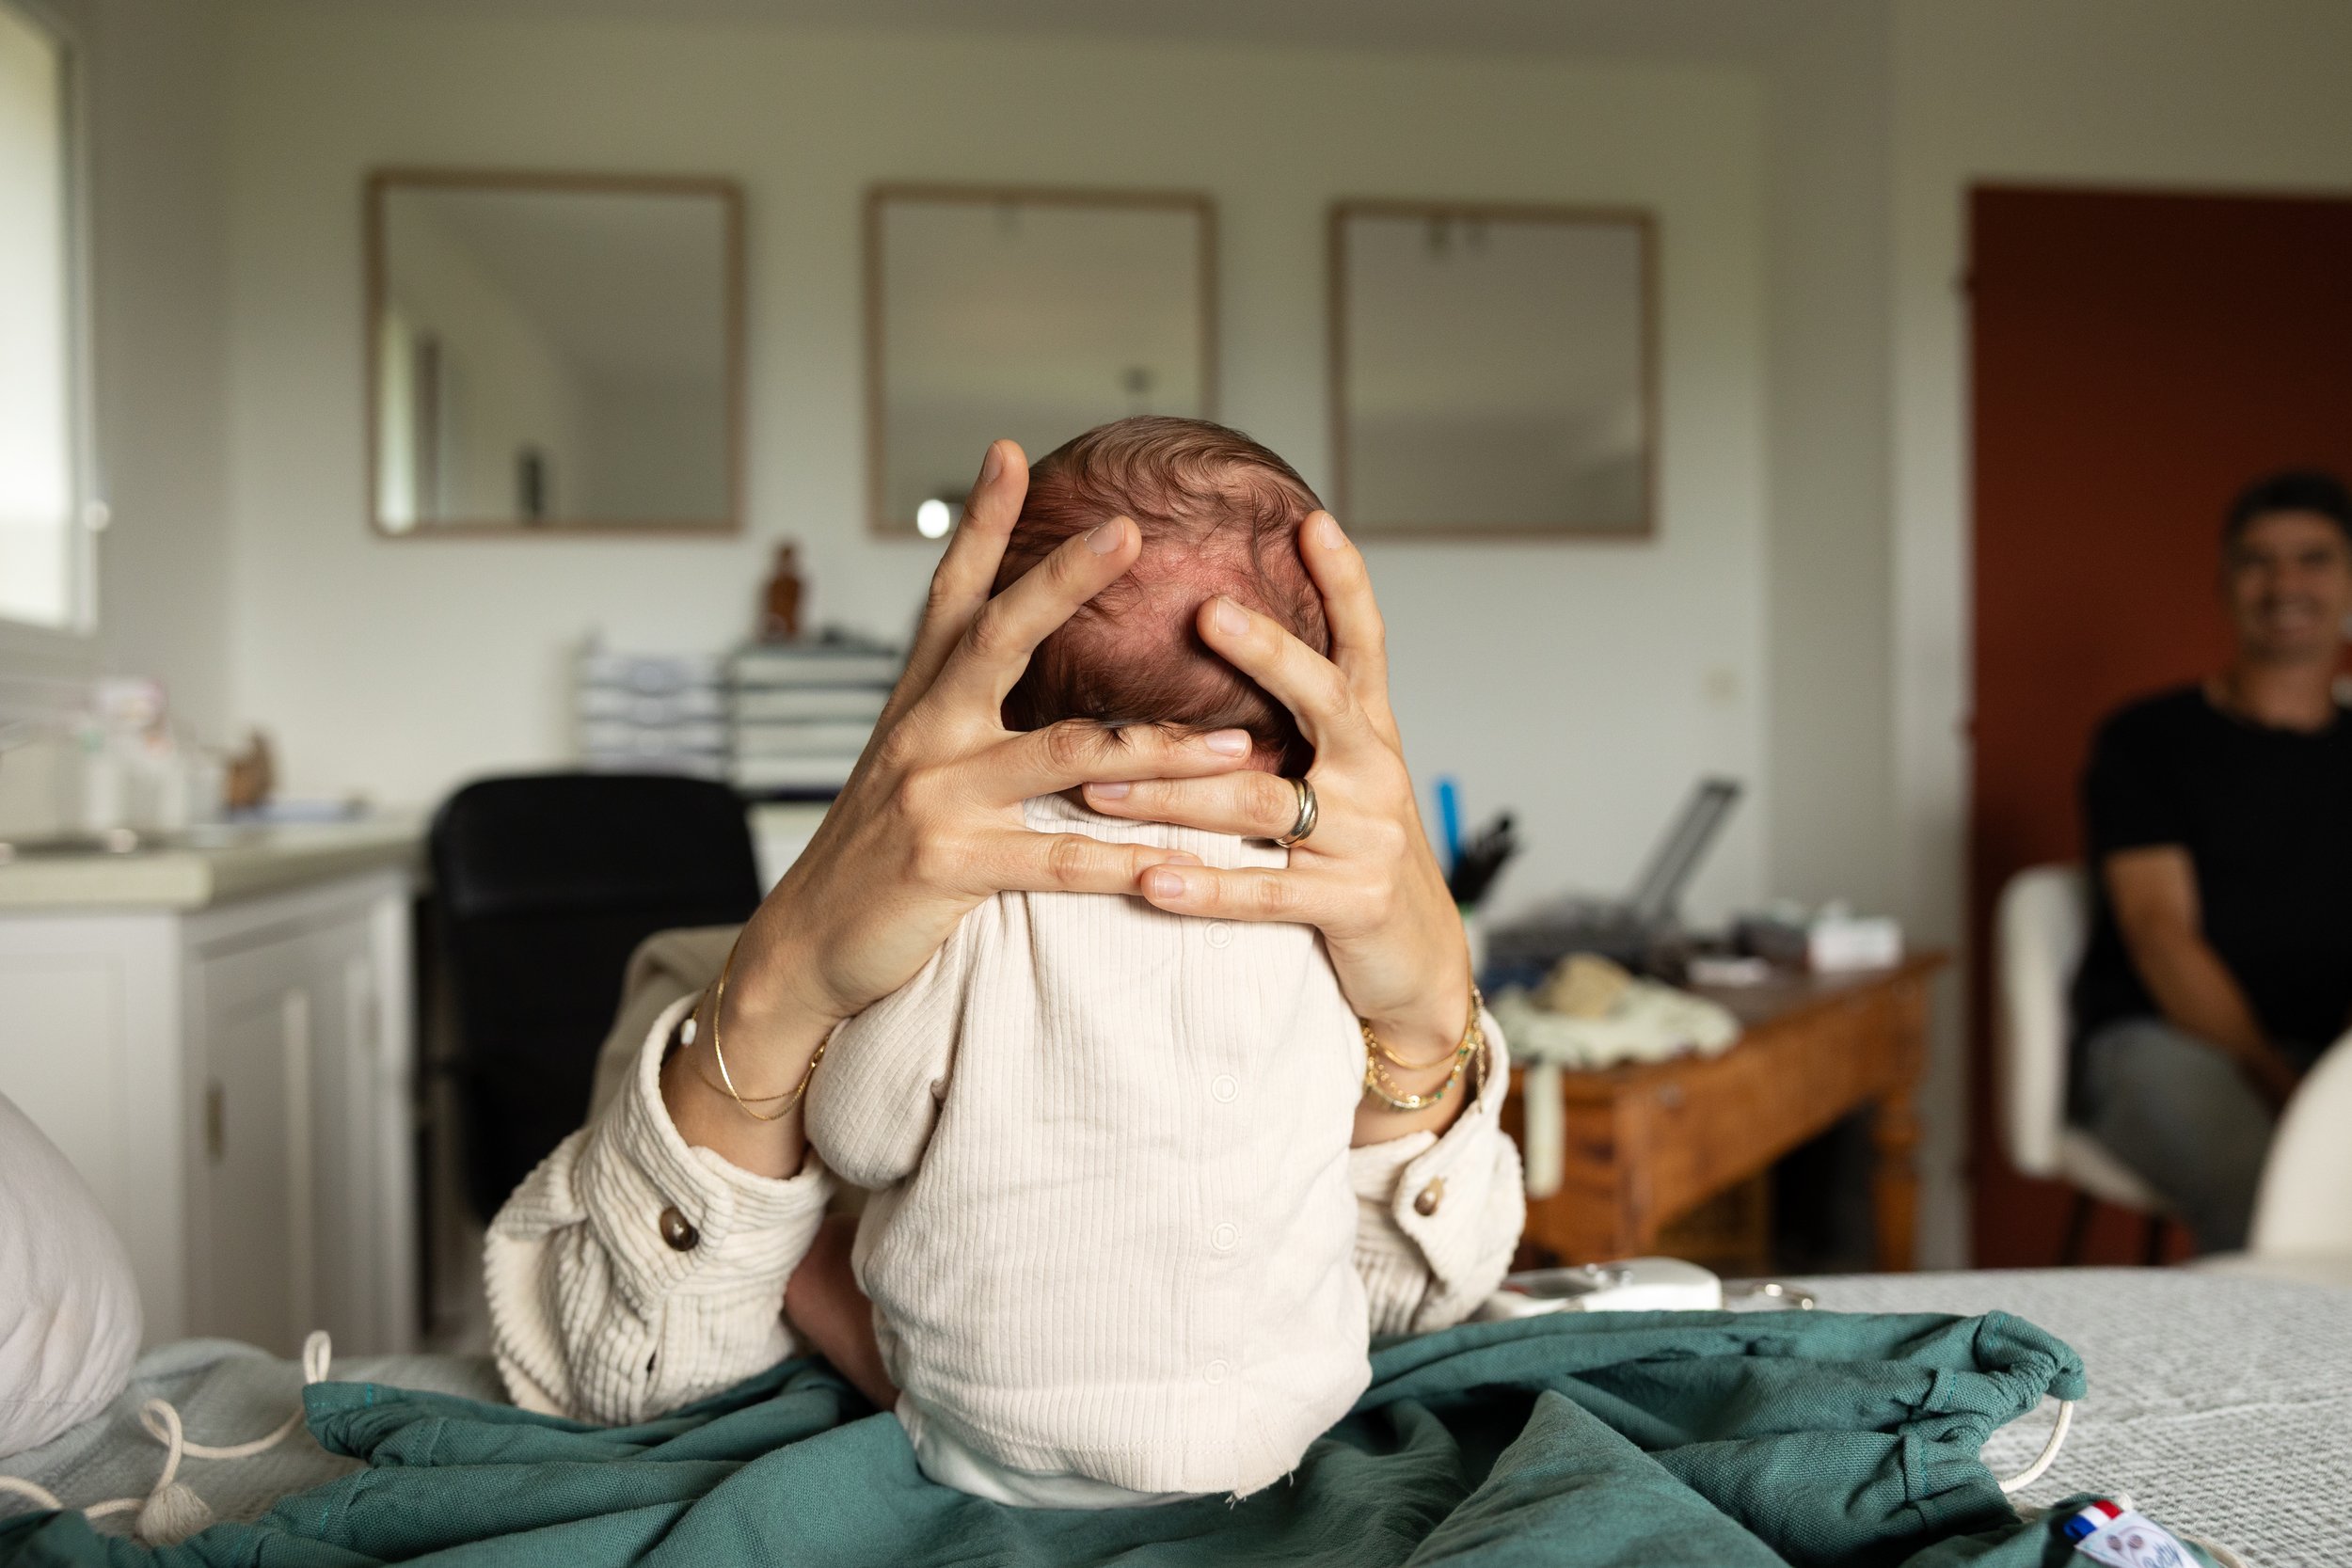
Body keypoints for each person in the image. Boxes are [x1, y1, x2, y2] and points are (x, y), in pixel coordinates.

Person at [482, 433, 1525, 1435]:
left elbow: (1398, 1308)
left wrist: (1428, 1013)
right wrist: (775, 993)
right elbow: (613, 1382)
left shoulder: (1337, 934)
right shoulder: (696, 984)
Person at [800, 418, 1483, 1508]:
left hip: (1004, 1443)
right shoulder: (1329, 910)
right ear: (1302, 720)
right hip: (1287, 1422)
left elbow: (857, 1130)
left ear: (1004, 703)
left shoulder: (981, 904)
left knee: (815, 1250)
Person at [2069, 468, 2352, 1253]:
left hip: (2328, 1053)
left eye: (2314, 558)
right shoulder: (2148, 740)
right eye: (2258, 560)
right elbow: (2161, 935)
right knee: (2279, 1195)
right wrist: (2289, 1090)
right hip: (2165, 1043)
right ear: (2224, 584)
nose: (2285, 583)